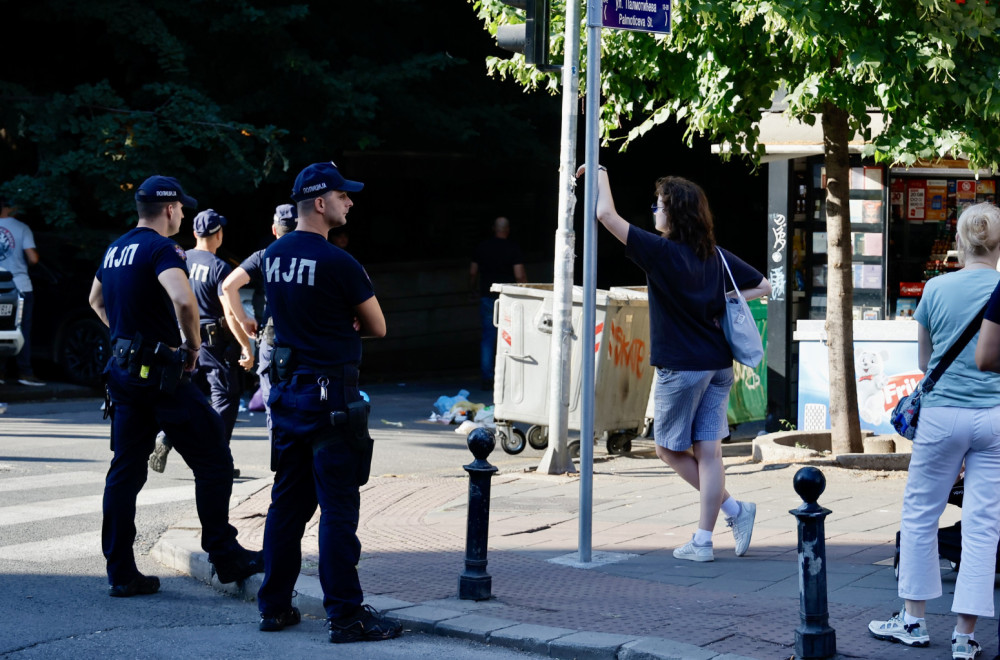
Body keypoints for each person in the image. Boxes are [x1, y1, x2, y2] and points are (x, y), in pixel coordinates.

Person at [579, 164, 769, 562]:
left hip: (682, 369)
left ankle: (732, 513)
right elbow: (763, 286)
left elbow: (606, 216)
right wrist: (720, 302)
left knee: (667, 450)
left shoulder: (660, 252)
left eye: (659, 205)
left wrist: (601, 173)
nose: (654, 211)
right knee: (709, 453)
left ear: (674, 213)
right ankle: (706, 537)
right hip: (719, 365)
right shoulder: (715, 256)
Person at [88, 175, 262, 597]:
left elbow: (95, 300)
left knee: (125, 472)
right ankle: (225, 555)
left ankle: (121, 572)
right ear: (168, 209)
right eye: (181, 207)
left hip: (123, 374)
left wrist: (126, 338)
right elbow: (183, 300)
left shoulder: (115, 249)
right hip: (163, 377)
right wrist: (191, 346)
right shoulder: (162, 249)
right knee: (214, 460)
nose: (183, 214)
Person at [256, 161, 401, 643]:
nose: (350, 202)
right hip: (331, 400)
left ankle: (274, 606)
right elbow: (378, 325)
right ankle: (346, 616)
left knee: (286, 505)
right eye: (343, 195)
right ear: (320, 203)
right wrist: (346, 320)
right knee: (337, 509)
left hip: (288, 395)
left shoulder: (272, 255)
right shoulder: (339, 262)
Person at [868, 203, 1000, 660]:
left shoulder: (936, 288)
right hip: (995, 416)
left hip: (942, 415)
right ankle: (965, 635)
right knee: (984, 524)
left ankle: (913, 620)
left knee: (921, 513)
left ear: (960, 243)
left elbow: (926, 362)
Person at [148, 209, 244, 478]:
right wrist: (244, 343)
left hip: (181, 337)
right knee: (225, 396)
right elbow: (229, 311)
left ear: (194, 233)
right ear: (219, 235)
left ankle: (166, 435)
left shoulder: (179, 258)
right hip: (211, 342)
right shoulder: (219, 267)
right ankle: (218, 456)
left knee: (186, 393)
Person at [220, 203, 298, 456]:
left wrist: (243, 318)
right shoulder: (316, 254)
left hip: (273, 342)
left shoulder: (264, 256)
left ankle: (280, 462)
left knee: (273, 405)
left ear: (274, 230)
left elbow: (229, 286)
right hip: (307, 340)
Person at [470, 216, 527, 390]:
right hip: (508, 298)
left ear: (493, 228)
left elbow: (473, 272)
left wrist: (472, 290)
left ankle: (487, 378)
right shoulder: (513, 248)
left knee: (488, 338)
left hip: (487, 297)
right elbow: (519, 275)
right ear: (507, 230)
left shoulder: (482, 247)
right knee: (511, 336)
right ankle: (509, 377)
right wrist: (526, 293)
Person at [0, 196, 44, 386]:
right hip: (19, 287)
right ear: (9, 207)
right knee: (21, 330)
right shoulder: (21, 228)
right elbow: (33, 258)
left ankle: (1, 373)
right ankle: (25, 372)